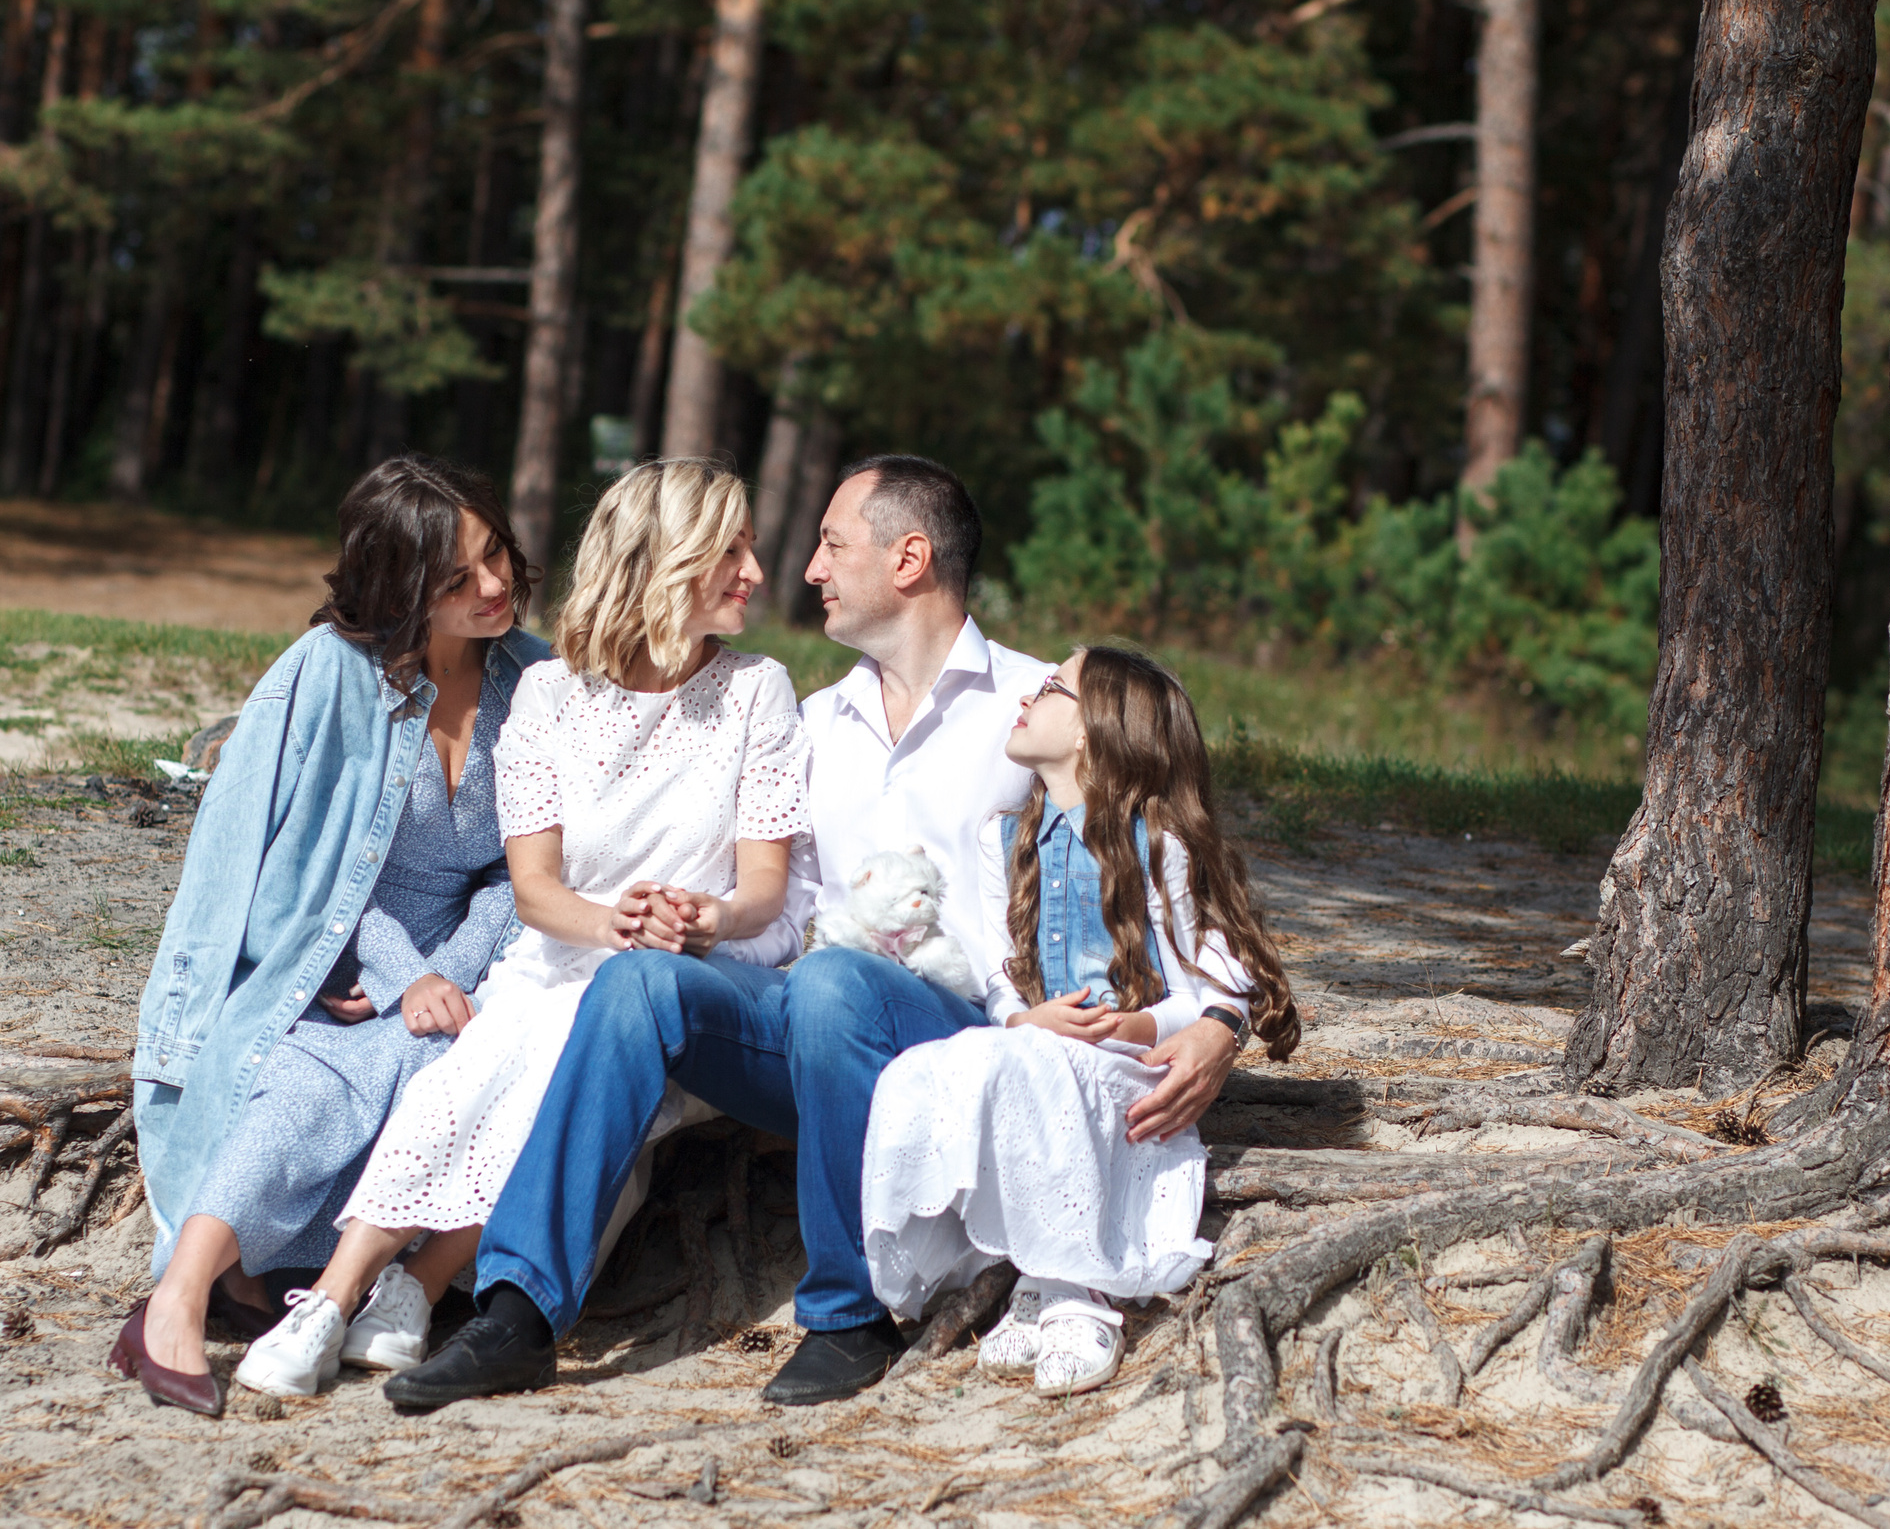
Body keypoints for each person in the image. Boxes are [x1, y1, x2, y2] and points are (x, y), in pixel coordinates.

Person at [384, 456, 1136, 1411]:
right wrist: (700, 925)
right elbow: (782, 904)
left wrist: (1200, 1024)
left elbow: (1143, 871)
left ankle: (847, 1312)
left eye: (830, 543)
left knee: (833, 984)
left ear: (910, 558)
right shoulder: (814, 718)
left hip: (972, 1028)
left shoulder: (1036, 710)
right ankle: (518, 1313)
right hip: (815, 1025)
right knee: (641, 980)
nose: (807, 569)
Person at [229, 459, 809, 1397]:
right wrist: (611, 920)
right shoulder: (548, 695)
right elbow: (534, 888)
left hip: (689, 980)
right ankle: (347, 1299)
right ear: (664, 561)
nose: (754, 571)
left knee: (548, 1067)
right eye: (728, 549)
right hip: (558, 952)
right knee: (471, 1072)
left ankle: (397, 1290)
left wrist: (705, 917)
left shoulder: (758, 692)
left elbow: (763, 891)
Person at [113, 457, 551, 1418]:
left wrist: (449, 975)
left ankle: (303, 1287)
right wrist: (395, 974)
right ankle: (174, 1301)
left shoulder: (535, 679)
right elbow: (298, 864)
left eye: (495, 556)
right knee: (317, 1080)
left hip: (476, 968)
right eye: (456, 578)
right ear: (402, 588)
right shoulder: (329, 674)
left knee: (436, 1070)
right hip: (322, 955)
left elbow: (524, 870)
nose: (492, 586)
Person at [861, 646, 1300, 1396]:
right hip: (1042, 1044)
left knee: (1037, 1064)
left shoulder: (1157, 845)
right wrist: (1024, 1014)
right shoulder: (1004, 840)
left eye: (1054, 685)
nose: (1031, 690)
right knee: (932, 1067)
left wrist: (1140, 1027)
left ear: (1092, 733)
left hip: (1124, 1066)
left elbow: (1214, 979)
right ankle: (1019, 1265)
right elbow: (997, 965)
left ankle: (1077, 1287)